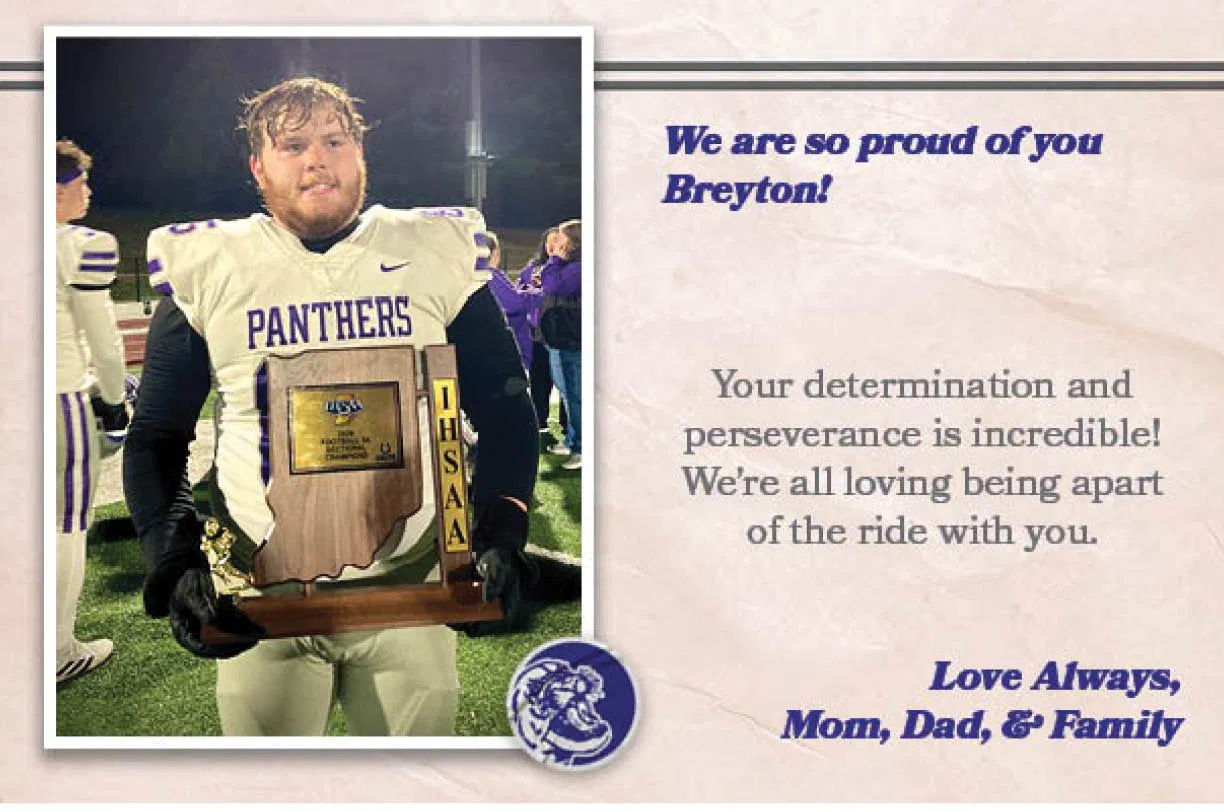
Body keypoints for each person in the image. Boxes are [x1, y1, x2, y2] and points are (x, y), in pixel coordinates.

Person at [124, 77, 540, 736]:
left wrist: (502, 533)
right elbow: (157, 434)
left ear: (359, 155)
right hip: (260, 594)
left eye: (334, 140)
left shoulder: (433, 249)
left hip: (412, 586)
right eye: (292, 145)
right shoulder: (212, 262)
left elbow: (507, 411)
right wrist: (173, 560)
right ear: (258, 167)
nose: (317, 158)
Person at [53, 139, 127, 683]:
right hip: (57, 401)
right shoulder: (79, 244)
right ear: (58, 189)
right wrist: (114, 399)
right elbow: (105, 345)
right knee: (66, 524)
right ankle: (58, 648)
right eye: (82, 182)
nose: (90, 191)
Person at [538, 219, 583, 470]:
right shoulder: (570, 265)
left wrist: (554, 259)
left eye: (562, 238)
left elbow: (554, 284)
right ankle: (573, 440)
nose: (557, 242)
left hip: (572, 339)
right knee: (568, 394)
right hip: (561, 338)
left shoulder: (579, 267)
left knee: (576, 396)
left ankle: (582, 449)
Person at [521, 228, 568, 447]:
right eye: (550, 241)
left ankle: (568, 426)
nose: (553, 246)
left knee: (567, 382)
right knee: (539, 381)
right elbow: (519, 291)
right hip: (538, 334)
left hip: (561, 333)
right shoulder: (532, 267)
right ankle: (539, 423)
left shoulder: (569, 269)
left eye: (558, 241)